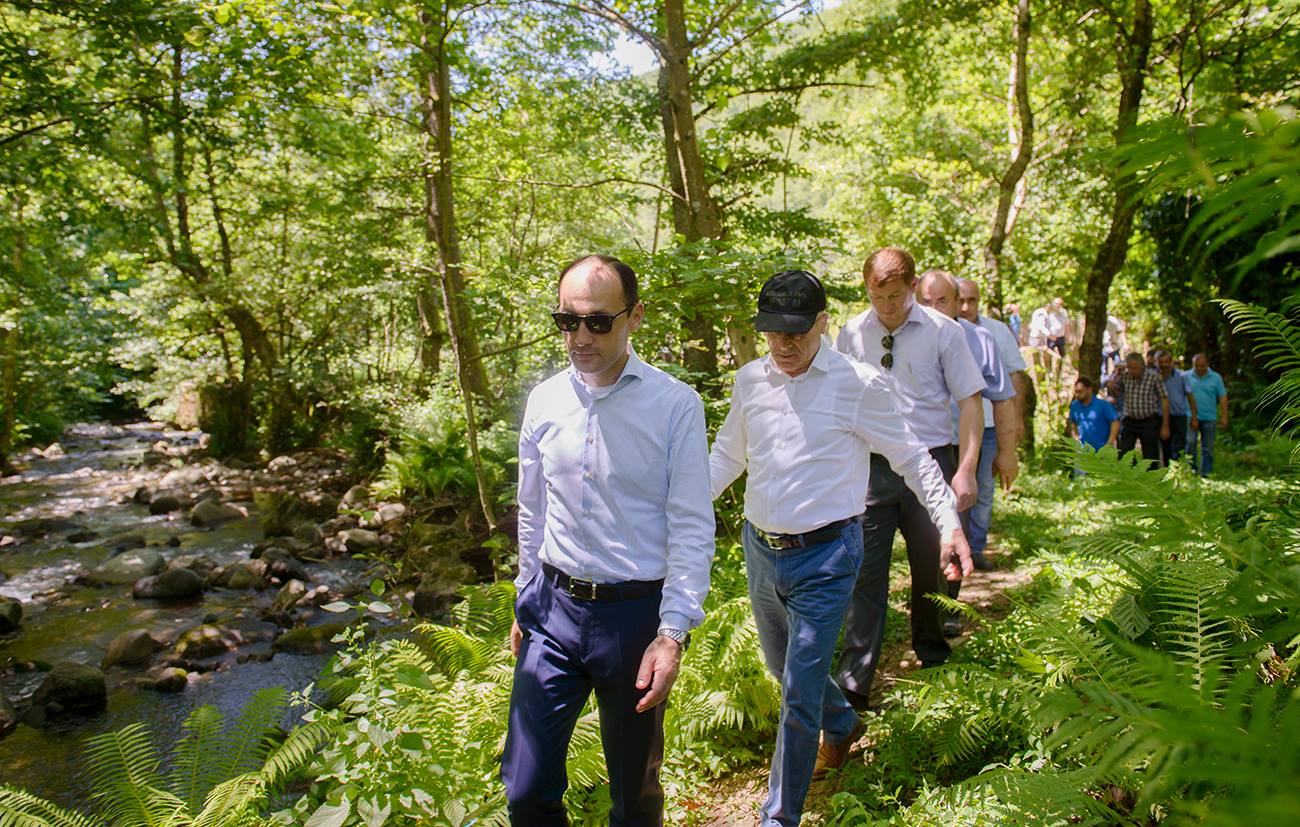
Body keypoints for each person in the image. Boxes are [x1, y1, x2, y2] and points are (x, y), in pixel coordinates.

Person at [709, 270, 969, 827]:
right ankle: (846, 723)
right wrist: (675, 516)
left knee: (797, 693)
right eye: (773, 332)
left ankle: (779, 816)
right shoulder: (751, 380)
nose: (784, 344)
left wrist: (948, 521)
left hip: (826, 557)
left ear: (823, 324)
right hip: (761, 550)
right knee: (781, 667)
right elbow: (727, 457)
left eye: (796, 332)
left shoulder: (859, 384)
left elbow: (912, 456)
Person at [504, 254, 716, 826]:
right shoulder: (544, 400)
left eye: (598, 321)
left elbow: (692, 525)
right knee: (525, 787)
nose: (580, 337)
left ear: (635, 316)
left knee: (633, 792)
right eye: (567, 321)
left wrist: (672, 633)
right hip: (552, 609)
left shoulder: (675, 406)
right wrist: (525, 593)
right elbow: (533, 506)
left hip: (633, 617)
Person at [832, 247, 986, 711]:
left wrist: (966, 468)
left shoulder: (945, 332)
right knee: (865, 576)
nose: (887, 307)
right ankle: (855, 684)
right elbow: (835, 403)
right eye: (877, 297)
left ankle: (933, 659)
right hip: (871, 468)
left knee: (931, 570)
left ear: (914, 287)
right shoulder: (851, 334)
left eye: (895, 297)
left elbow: (970, 402)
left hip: (932, 463)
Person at [956, 277, 1028, 569]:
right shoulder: (941, 329)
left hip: (989, 425)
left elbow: (1015, 376)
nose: (965, 306)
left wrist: (1016, 421)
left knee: (984, 489)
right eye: (961, 300)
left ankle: (975, 548)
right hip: (951, 428)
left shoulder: (996, 332)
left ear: (979, 301)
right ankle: (953, 548)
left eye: (972, 300)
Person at [1107, 353, 1170, 465]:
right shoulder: (1125, 376)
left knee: (1151, 456)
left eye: (1135, 368)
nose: (1132, 371)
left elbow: (1164, 399)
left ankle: (1151, 474)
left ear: (1142, 366)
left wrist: (1165, 425)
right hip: (1129, 421)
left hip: (1148, 421)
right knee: (1125, 454)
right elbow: (1117, 394)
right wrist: (1111, 386)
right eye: (1129, 368)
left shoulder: (1153, 377)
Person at [1186, 353, 1229, 477]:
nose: (1199, 368)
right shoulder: (1186, 376)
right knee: (1190, 444)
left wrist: (1224, 417)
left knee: (1208, 448)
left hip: (1209, 417)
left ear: (1207, 365)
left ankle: (1206, 474)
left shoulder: (1216, 378)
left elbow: (1222, 397)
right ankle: (1191, 471)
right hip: (1190, 416)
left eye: (1202, 366)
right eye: (1196, 366)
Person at [1156, 350, 1196, 466]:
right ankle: (1168, 469)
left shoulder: (1181, 376)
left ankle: (1178, 469)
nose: (1163, 365)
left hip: (1179, 417)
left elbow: (1190, 397)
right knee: (1165, 447)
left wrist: (1194, 417)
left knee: (1179, 448)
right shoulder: (1155, 377)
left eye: (1166, 362)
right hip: (1161, 417)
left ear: (1170, 362)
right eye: (1161, 362)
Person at [1068, 376, 1120, 453]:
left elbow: (1115, 422)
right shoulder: (1075, 406)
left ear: (1089, 389)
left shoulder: (1103, 405)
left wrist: (1110, 442)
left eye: (1080, 391)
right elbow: (1073, 423)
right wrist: (1076, 440)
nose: (1077, 395)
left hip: (1103, 451)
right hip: (1083, 451)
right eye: (1076, 392)